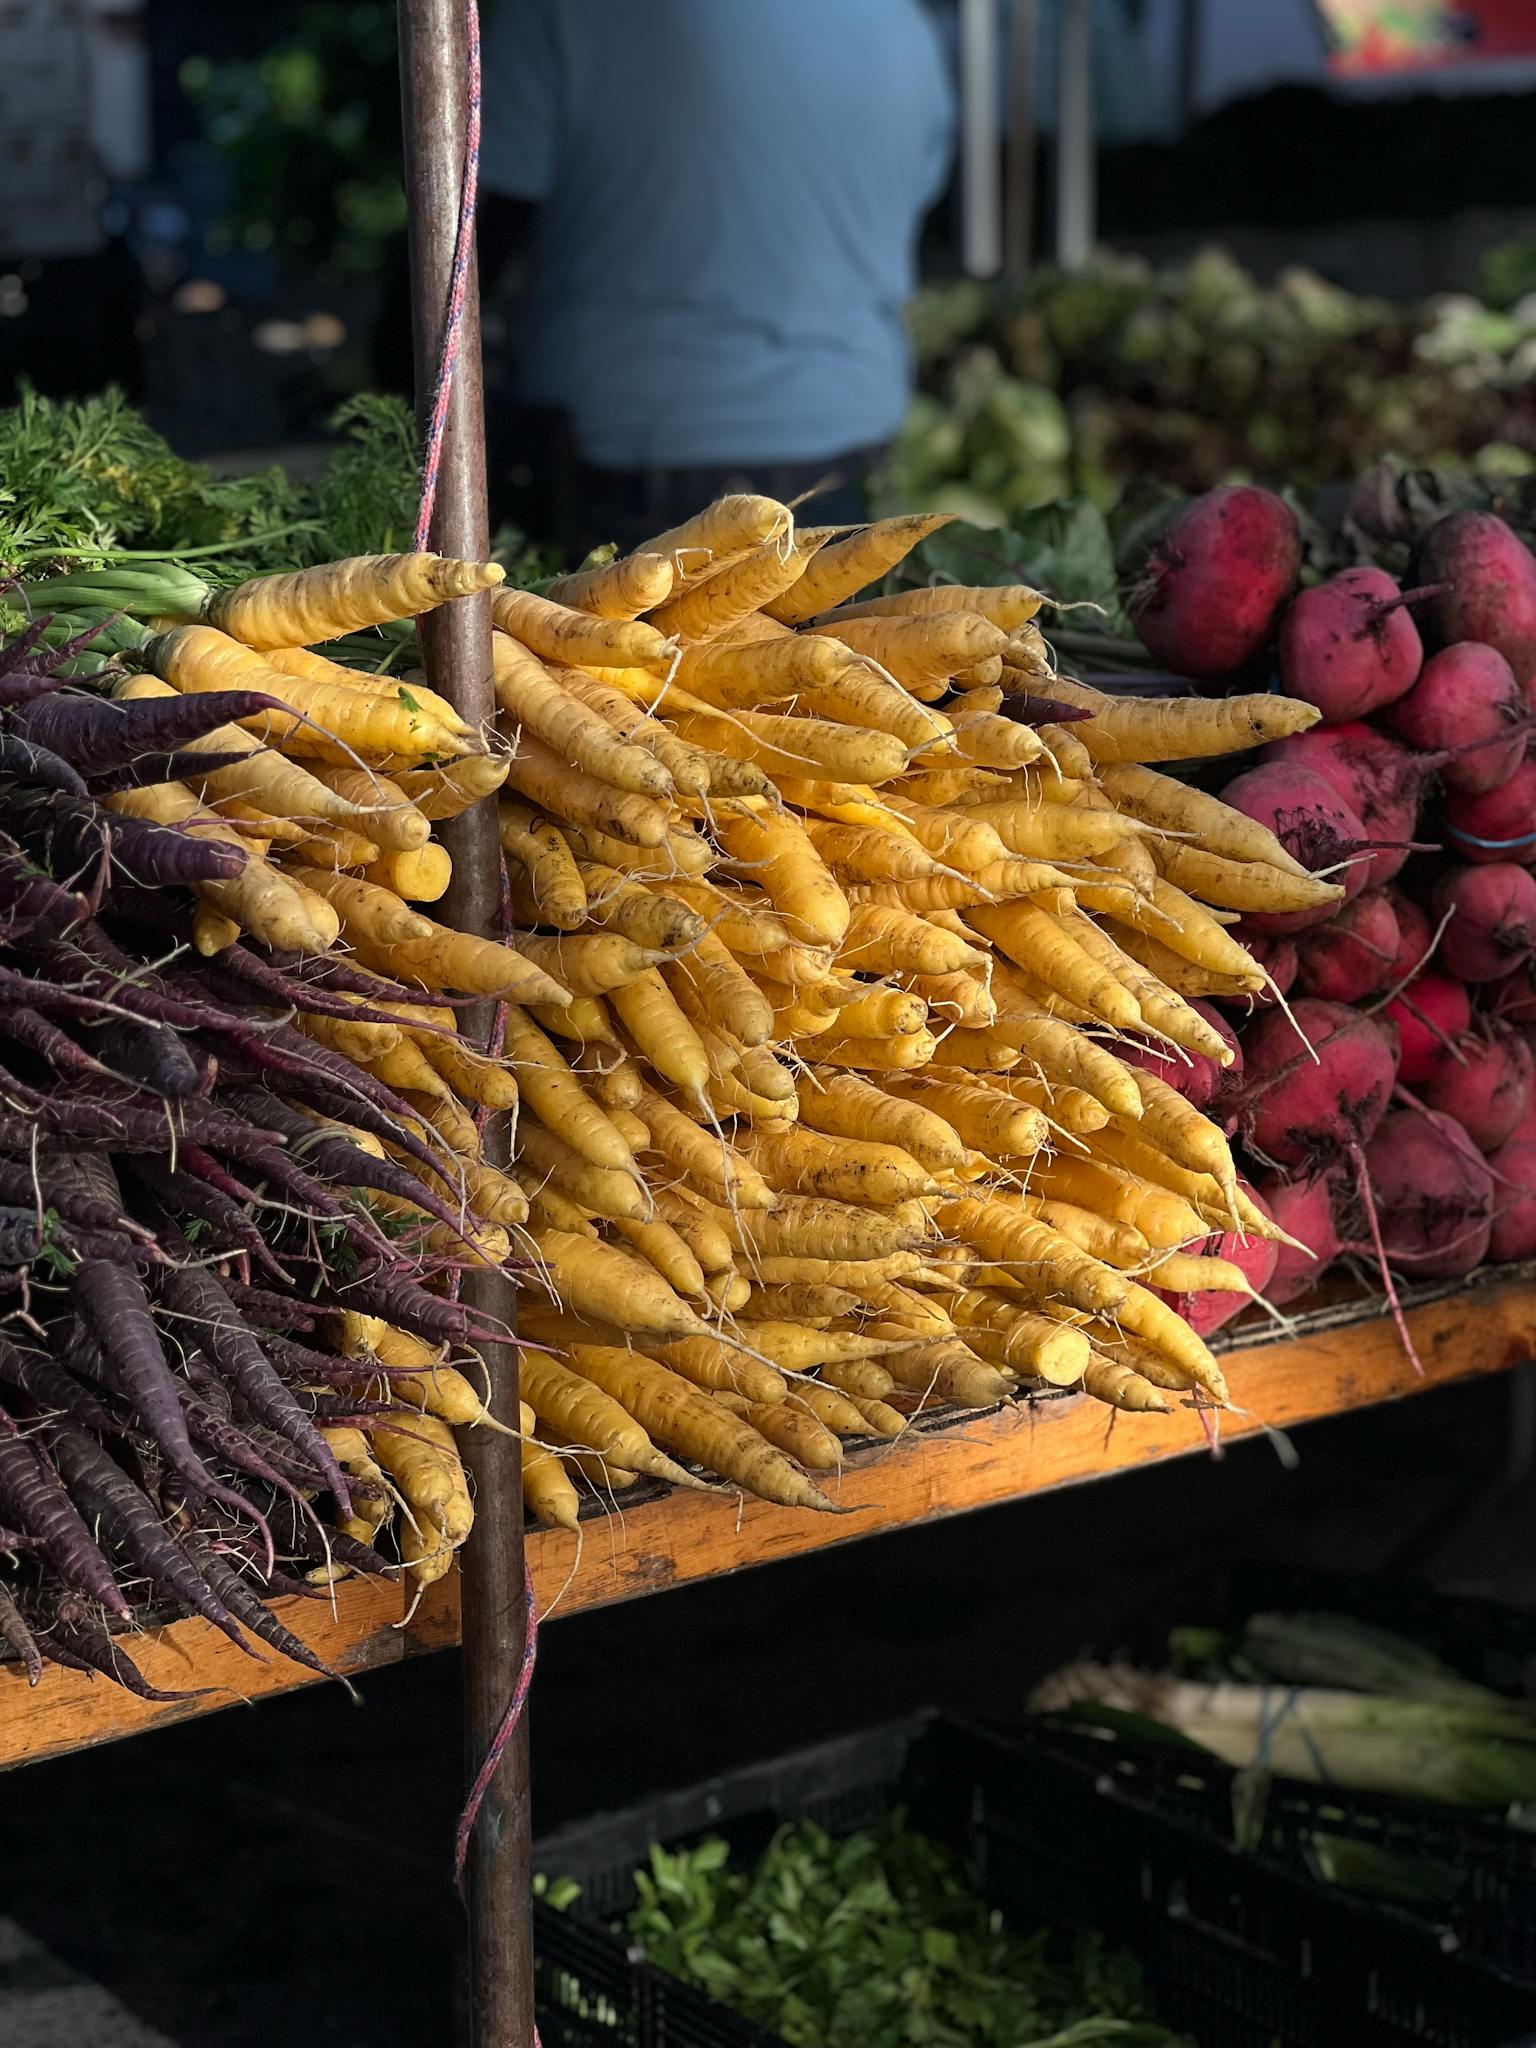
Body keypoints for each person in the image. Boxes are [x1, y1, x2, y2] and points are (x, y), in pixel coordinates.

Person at [476, 0, 955, 558]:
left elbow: (463, 247)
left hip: (630, 481)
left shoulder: (564, 13)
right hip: (846, 468)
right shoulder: (902, 25)